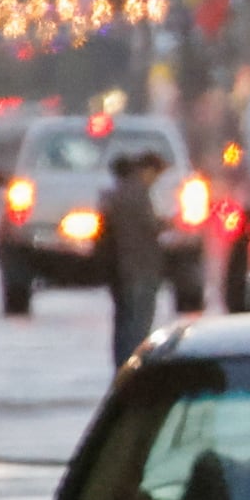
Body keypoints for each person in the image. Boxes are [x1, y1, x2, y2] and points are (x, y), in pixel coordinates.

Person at [99, 140, 176, 361]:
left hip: (123, 271)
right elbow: (144, 229)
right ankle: (132, 365)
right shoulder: (136, 194)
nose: (155, 180)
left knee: (124, 324)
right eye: (156, 174)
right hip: (138, 271)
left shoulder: (120, 192)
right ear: (147, 170)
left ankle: (123, 366)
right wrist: (166, 224)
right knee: (136, 327)